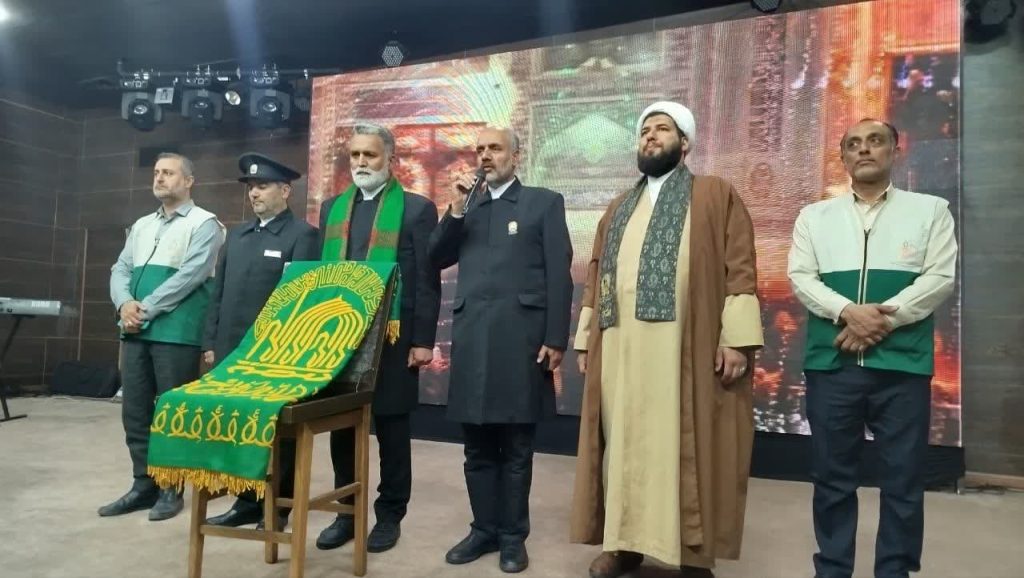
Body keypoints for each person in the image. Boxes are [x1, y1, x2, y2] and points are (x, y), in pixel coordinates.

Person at [569, 101, 764, 578]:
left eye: (662, 129)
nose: (651, 137)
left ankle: (692, 553)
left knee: (685, 442)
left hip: (686, 347)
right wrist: (586, 339)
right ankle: (624, 543)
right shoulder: (618, 206)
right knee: (622, 443)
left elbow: (740, 266)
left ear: (686, 143)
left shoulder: (715, 194)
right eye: (645, 131)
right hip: (620, 348)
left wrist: (737, 339)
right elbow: (596, 274)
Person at [787, 118, 957, 578]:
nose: (864, 149)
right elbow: (802, 278)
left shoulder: (931, 211)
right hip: (832, 365)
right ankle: (832, 570)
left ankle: (894, 571)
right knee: (831, 479)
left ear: (895, 151)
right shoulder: (814, 217)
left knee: (903, 479)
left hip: (902, 367)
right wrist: (848, 311)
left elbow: (939, 278)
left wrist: (881, 321)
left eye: (875, 141)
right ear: (843, 157)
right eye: (854, 144)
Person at [429, 127, 573, 573]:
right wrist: (454, 211)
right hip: (473, 338)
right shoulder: (468, 207)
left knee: (515, 447)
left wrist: (555, 337)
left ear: (516, 154)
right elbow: (435, 257)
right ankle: (483, 530)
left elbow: (559, 273)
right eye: (480, 149)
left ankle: (512, 537)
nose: (485, 156)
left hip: (521, 340)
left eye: (494, 148)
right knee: (476, 447)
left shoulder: (542, 203)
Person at [315, 123, 441, 553]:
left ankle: (389, 516)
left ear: (391, 159)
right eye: (355, 155)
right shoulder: (331, 209)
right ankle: (346, 514)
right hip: (339, 336)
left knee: (392, 428)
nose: (361, 163)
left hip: (393, 336)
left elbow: (426, 280)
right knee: (342, 428)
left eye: (369, 154)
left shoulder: (417, 210)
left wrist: (422, 340)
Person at [101, 152, 225, 521]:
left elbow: (191, 275)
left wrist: (144, 310)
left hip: (176, 332)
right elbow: (121, 268)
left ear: (189, 181)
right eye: (157, 172)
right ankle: (144, 484)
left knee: (173, 415)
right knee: (135, 412)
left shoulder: (206, 224)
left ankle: (171, 488)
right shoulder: (141, 225)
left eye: (168, 173)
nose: (159, 178)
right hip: (136, 330)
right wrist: (124, 304)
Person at [202, 153, 320, 530]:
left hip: (275, 355)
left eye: (262, 186)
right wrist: (211, 342)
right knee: (240, 427)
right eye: (251, 187)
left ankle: (279, 507)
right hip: (231, 351)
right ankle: (246, 501)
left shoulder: (302, 235)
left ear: (285, 191)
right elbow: (218, 293)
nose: (254, 193)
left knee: (280, 434)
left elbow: (302, 301)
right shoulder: (237, 236)